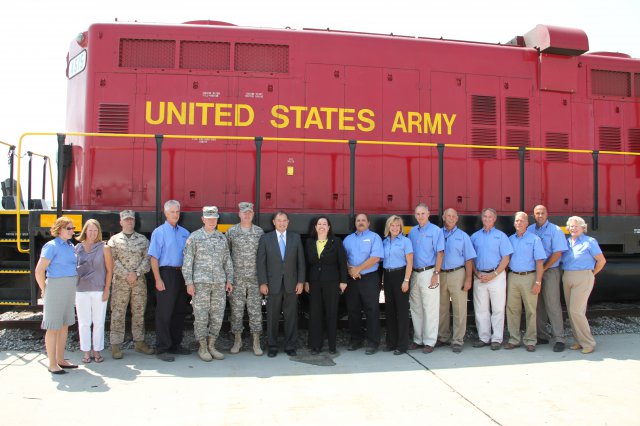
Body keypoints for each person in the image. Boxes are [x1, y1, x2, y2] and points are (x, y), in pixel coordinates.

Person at [183, 206, 234, 362]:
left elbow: (227, 261)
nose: (212, 221)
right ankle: (203, 347)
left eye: (214, 219)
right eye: (209, 218)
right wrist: (189, 282)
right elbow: (187, 261)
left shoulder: (221, 238)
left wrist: (230, 279)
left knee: (217, 316)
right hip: (200, 284)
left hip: (218, 283)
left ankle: (212, 345)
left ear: (217, 219)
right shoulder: (194, 237)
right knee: (201, 316)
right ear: (203, 219)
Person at [257, 211, 306, 358]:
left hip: (292, 283)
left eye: (284, 220)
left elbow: (301, 262)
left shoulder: (295, 238)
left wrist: (301, 281)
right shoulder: (266, 238)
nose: (282, 223)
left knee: (291, 316)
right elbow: (261, 262)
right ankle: (272, 346)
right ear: (274, 222)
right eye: (279, 220)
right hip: (272, 284)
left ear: (288, 222)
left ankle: (290, 345)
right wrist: (263, 282)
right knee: (272, 316)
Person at [35, 217, 80, 374]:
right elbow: (39, 270)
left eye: (72, 228)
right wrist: (44, 289)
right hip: (56, 286)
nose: (72, 231)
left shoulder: (70, 246)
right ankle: (52, 363)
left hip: (69, 287)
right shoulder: (51, 246)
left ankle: (60, 359)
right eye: (69, 228)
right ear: (59, 229)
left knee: (64, 325)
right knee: (53, 326)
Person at [108, 209, 154, 359]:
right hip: (120, 283)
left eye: (131, 219)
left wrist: (137, 273)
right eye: (126, 219)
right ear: (121, 222)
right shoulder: (114, 240)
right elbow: (111, 260)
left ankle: (139, 343)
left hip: (139, 282)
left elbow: (147, 260)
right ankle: (115, 345)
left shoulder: (142, 240)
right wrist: (126, 274)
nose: (129, 222)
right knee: (118, 313)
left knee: (139, 313)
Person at [149, 200, 190, 362]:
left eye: (177, 212)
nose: (175, 214)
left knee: (180, 311)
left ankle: (175, 345)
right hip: (166, 274)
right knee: (164, 313)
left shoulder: (185, 232)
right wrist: (158, 279)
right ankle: (162, 348)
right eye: (172, 212)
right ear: (166, 214)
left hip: (182, 274)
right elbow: (153, 258)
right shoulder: (159, 232)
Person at [561, 216, 606, 354]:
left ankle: (588, 343)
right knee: (571, 311)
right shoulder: (567, 242)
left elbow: (601, 261)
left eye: (576, 226)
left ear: (582, 228)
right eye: (571, 226)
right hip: (567, 276)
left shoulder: (590, 242)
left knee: (576, 311)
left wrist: (591, 274)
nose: (573, 228)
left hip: (583, 276)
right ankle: (578, 340)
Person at [304, 216, 348, 355]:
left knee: (331, 313)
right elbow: (306, 263)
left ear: (329, 227)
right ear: (315, 227)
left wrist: (343, 281)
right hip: (314, 283)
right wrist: (305, 281)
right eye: (319, 224)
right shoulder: (309, 242)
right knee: (315, 314)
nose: (322, 226)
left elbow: (342, 262)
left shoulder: (336, 242)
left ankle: (332, 346)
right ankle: (315, 345)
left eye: (325, 224)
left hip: (332, 282)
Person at [470, 208, 513, 350]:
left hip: (497, 277)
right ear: (482, 218)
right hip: (480, 276)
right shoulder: (475, 237)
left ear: (494, 219)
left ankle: (497, 339)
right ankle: (484, 337)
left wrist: (494, 274)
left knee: (498, 309)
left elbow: (506, 258)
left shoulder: (501, 236)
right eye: (485, 216)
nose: (487, 219)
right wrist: (476, 273)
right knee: (481, 309)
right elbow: (470, 258)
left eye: (490, 217)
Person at [226, 202, 265, 356]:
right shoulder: (231, 232)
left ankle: (256, 341)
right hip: (237, 279)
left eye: (249, 212)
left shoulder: (259, 232)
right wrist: (229, 278)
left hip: (255, 278)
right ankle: (237, 340)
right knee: (236, 311)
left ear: (253, 214)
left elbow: (263, 257)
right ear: (239, 214)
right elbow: (227, 256)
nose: (247, 215)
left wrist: (263, 279)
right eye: (244, 212)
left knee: (255, 311)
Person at [528, 205, 569, 352]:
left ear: (547, 214)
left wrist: (543, 269)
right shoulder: (530, 229)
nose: (540, 215)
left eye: (542, 213)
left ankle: (559, 338)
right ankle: (542, 336)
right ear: (533, 215)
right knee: (538, 305)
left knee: (553, 304)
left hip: (550, 271)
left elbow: (558, 253)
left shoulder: (555, 230)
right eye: (537, 213)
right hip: (535, 271)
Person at [504, 212, 546, 352]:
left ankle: (530, 340)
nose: (519, 223)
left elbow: (539, 262)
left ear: (527, 223)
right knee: (512, 309)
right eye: (517, 221)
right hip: (513, 277)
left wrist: (538, 282)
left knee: (530, 310)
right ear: (514, 223)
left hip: (529, 277)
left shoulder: (534, 239)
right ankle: (514, 339)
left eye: (522, 221)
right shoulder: (510, 239)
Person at [343, 213, 384, 355]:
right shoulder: (348, 239)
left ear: (368, 223)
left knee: (372, 310)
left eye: (363, 220)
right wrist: (350, 270)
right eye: (358, 220)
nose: (360, 222)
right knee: (353, 310)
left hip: (369, 278)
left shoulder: (374, 237)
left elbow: (376, 257)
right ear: (355, 223)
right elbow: (344, 258)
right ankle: (356, 340)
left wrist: (358, 269)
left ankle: (373, 342)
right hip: (353, 279)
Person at [437, 208, 476, 353]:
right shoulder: (438, 233)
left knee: (460, 308)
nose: (451, 218)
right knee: (442, 308)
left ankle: (458, 340)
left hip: (457, 273)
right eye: (448, 215)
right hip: (441, 274)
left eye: (453, 216)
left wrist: (468, 279)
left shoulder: (463, 236)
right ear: (443, 217)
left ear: (457, 218)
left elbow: (469, 259)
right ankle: (443, 337)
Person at [75, 219, 113, 363]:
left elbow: (110, 270)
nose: (92, 233)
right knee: (84, 322)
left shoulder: (105, 248)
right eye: (90, 230)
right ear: (85, 231)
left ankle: (97, 350)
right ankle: (86, 351)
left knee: (99, 321)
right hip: (81, 290)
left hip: (98, 290)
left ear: (99, 232)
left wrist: (106, 289)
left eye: (95, 230)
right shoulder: (77, 248)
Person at [407, 203, 444, 354]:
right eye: (418, 214)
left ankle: (429, 341)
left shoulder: (436, 231)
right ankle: (418, 339)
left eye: (423, 213)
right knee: (416, 308)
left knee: (430, 308)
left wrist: (436, 273)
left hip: (429, 272)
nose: (420, 216)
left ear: (428, 214)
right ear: (415, 215)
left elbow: (440, 253)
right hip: (415, 274)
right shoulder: (412, 232)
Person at [381, 215, 413, 355]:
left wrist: (406, 280)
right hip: (388, 276)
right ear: (389, 227)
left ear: (401, 228)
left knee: (402, 311)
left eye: (397, 226)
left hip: (401, 275)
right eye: (392, 225)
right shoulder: (385, 242)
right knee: (390, 311)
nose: (394, 228)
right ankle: (391, 342)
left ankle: (402, 345)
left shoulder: (406, 242)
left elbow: (410, 263)